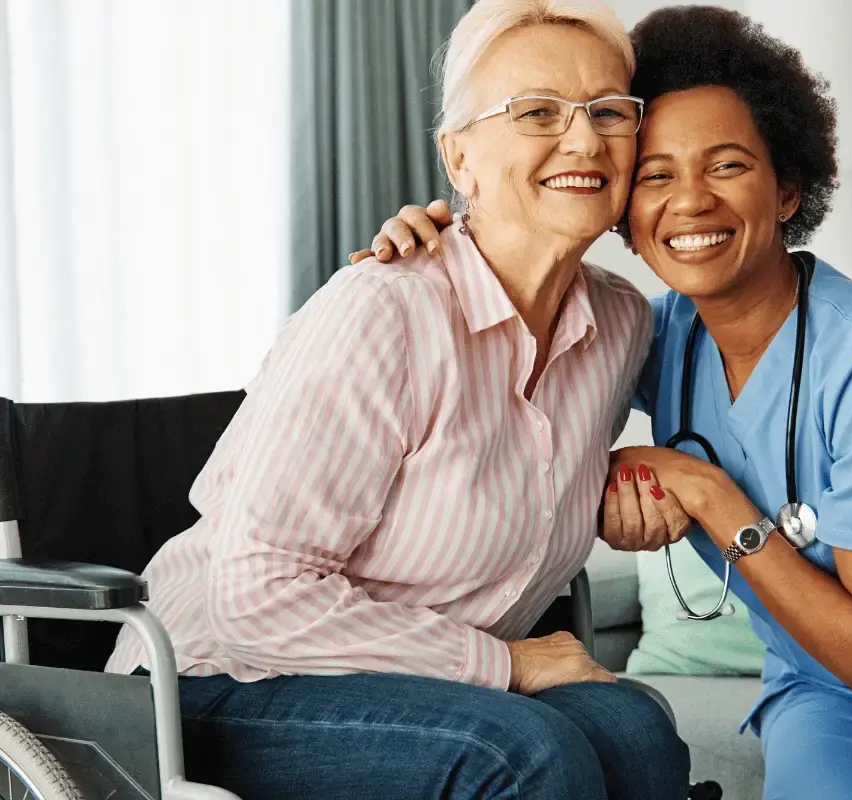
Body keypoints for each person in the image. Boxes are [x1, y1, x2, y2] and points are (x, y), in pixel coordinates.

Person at [353, 6, 852, 799]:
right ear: (627, 210)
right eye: (657, 174)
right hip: (826, 690)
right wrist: (438, 245)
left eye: (727, 166)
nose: (691, 201)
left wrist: (704, 491)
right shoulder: (649, 332)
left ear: (787, 188)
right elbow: (510, 348)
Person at [103, 1, 692, 798]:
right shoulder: (383, 311)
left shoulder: (621, 323)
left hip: (427, 688)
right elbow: (254, 596)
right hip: (212, 682)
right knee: (526, 753)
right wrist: (506, 663)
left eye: (608, 112)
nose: (584, 139)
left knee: (638, 732)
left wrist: (630, 472)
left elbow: (662, 410)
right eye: (538, 112)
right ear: (459, 156)